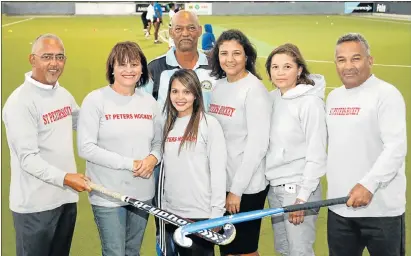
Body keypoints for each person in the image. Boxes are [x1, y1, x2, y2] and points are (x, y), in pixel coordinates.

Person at [2, 33, 91, 256]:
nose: (55, 63)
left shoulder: (62, 94)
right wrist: (67, 178)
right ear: (32, 59)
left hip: (65, 201)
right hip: (35, 208)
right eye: (47, 57)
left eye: (60, 57)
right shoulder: (19, 103)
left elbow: (83, 124)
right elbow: (28, 159)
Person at [143, 10, 218, 256]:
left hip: (205, 166)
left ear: (199, 30)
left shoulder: (215, 66)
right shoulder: (155, 68)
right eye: (179, 28)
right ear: (171, 32)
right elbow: (144, 115)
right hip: (168, 169)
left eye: (191, 28)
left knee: (201, 238)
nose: (185, 33)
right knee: (167, 236)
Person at [77, 41, 163, 256]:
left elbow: (159, 143)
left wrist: (153, 158)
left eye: (134, 64)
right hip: (107, 193)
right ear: (112, 68)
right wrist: (129, 164)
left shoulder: (149, 102)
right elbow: (86, 148)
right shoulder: (95, 100)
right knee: (115, 252)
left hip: (142, 192)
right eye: (122, 64)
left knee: (132, 251)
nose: (128, 70)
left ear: (142, 68)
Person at [326, 33, 407, 256]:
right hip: (339, 209)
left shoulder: (386, 94)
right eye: (341, 60)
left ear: (369, 60)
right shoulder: (333, 98)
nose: (348, 66)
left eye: (356, 58)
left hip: (382, 211)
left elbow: (396, 147)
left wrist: (369, 184)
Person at [208, 29, 271, 256]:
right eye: (224, 53)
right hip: (222, 183)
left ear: (247, 56)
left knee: (244, 250)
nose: (230, 59)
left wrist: (236, 190)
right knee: (228, 248)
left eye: (236, 53)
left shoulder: (254, 90)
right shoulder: (218, 87)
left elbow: (258, 145)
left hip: (246, 186)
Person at [264, 43, 327, 255]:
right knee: (284, 248)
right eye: (275, 67)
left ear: (299, 69)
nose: (280, 73)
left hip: (298, 190)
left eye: (287, 67)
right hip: (275, 187)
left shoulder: (310, 103)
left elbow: (317, 153)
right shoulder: (272, 99)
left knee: (299, 252)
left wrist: (302, 198)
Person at [161, 69, 227, 256]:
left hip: (201, 214)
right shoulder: (168, 126)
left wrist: (216, 213)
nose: (180, 97)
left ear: (196, 94)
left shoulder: (209, 124)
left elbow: (218, 170)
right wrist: (166, 207)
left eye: (186, 92)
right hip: (173, 213)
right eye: (175, 91)